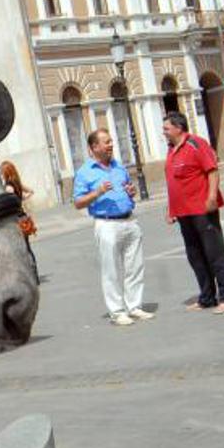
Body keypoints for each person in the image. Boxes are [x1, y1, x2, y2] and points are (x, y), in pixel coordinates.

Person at [72, 130, 153, 326]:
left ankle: (134, 306)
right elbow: (78, 202)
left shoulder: (119, 167)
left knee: (134, 265)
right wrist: (97, 192)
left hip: (129, 220)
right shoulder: (85, 172)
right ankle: (117, 311)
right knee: (111, 270)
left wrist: (131, 192)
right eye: (106, 142)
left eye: (110, 142)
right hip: (106, 223)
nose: (110, 145)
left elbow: (127, 187)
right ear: (94, 148)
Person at [163, 111, 224, 314]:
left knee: (215, 253)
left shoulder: (196, 143)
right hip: (183, 212)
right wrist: (171, 209)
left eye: (166, 128)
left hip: (202, 208)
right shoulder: (171, 149)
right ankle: (207, 297)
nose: (164, 133)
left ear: (178, 128)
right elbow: (173, 182)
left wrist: (212, 196)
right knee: (195, 255)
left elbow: (212, 170)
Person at [0, 160, 38, 275]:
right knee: (27, 247)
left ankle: (28, 273)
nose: (1, 174)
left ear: (5, 173)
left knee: (19, 248)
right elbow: (31, 191)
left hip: (16, 221)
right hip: (24, 218)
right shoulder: (17, 183)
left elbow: (8, 201)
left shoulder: (8, 187)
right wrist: (21, 199)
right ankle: (34, 272)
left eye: (1, 172)